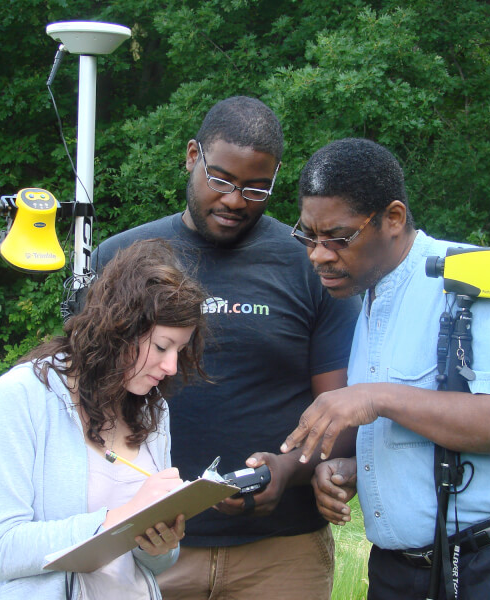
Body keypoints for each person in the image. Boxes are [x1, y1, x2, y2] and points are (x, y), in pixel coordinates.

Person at [280, 137, 490, 599]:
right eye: (308, 236)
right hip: (399, 575)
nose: (318, 254)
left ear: (393, 218)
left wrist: (377, 396)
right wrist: (355, 469)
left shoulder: (472, 275)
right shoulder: (367, 299)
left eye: (338, 237)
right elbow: (421, 431)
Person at [94, 96, 362, 599]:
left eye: (257, 187)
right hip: (149, 544)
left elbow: (342, 415)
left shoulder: (311, 265)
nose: (237, 200)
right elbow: (87, 397)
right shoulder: (123, 258)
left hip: (283, 554)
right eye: (221, 179)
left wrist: (286, 471)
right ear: (192, 155)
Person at [0, 239, 209, 600]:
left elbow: (151, 566)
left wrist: (158, 546)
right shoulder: (20, 399)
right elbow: (1, 550)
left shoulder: (153, 411)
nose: (171, 366)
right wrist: (119, 518)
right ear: (120, 327)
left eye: (180, 350)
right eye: (162, 347)